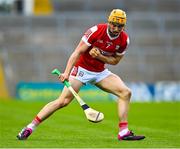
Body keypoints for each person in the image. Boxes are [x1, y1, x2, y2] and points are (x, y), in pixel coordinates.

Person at [17, 9, 145, 141]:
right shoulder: (96, 31)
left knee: (125, 93)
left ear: (124, 26)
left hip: (100, 72)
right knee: (63, 101)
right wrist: (67, 73)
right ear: (109, 21)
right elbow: (77, 52)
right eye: (114, 24)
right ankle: (29, 127)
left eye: (120, 26)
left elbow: (115, 61)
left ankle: (123, 132)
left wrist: (100, 57)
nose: (116, 28)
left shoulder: (124, 40)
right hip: (81, 70)